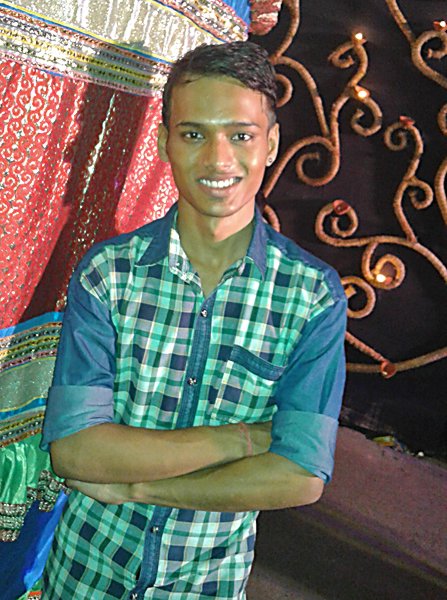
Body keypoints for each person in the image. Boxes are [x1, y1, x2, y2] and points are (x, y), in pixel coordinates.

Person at [41, 41, 347, 599]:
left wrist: (137, 486)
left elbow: (300, 476)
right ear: (164, 143)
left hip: (207, 583)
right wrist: (240, 440)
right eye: (194, 134)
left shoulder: (311, 296)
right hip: (85, 575)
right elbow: (75, 451)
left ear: (271, 143)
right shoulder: (109, 274)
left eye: (241, 135)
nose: (218, 160)